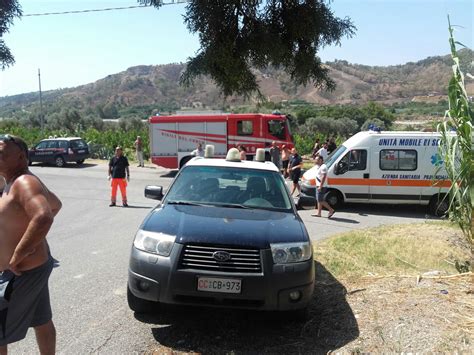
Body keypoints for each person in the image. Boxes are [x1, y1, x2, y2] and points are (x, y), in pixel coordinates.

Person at [0, 134, 62, 355]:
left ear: (21, 156)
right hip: (32, 269)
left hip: (20, 272)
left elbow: (44, 215)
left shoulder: (25, 182)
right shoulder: (11, 182)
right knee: (42, 319)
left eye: (1, 152)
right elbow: (56, 204)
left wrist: (18, 254)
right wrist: (32, 238)